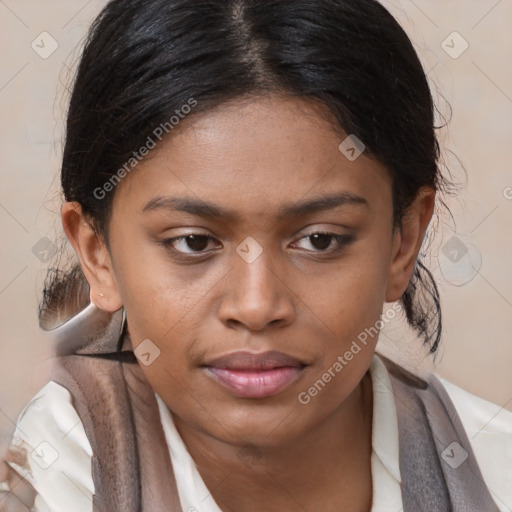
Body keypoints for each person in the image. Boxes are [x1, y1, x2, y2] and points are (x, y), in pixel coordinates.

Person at [0, 0, 510, 511]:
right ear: (98, 255)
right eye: (193, 242)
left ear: (403, 242)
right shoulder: (42, 477)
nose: (256, 305)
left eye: (320, 240)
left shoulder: (495, 469)